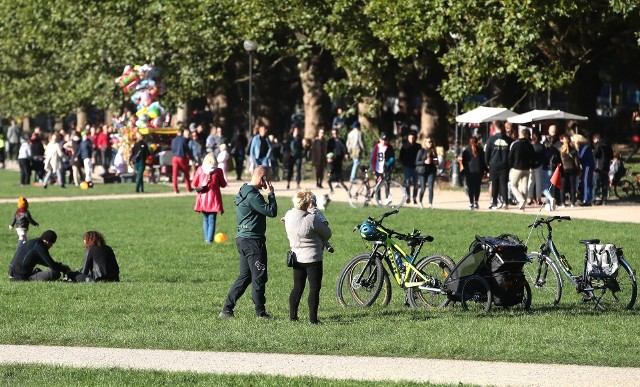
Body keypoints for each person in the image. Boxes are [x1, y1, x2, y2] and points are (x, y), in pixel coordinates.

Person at [219, 165, 277, 320]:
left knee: (245, 277)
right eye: (268, 180)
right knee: (259, 276)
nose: (268, 183)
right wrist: (271, 194)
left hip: (242, 239)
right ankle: (261, 312)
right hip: (253, 241)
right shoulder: (253, 196)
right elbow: (271, 212)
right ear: (262, 177)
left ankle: (226, 309)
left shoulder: (244, 190)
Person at [283, 189, 332, 324]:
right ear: (307, 204)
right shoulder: (311, 218)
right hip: (313, 258)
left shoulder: (288, 215)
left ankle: (293, 316)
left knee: (297, 287)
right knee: (314, 289)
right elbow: (327, 234)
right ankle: (313, 319)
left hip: (296, 257)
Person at [193, 153, 227, 243]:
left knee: (205, 219)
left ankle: (206, 239)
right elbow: (223, 184)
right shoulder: (218, 171)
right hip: (214, 198)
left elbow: (194, 183)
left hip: (202, 198)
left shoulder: (200, 169)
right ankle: (209, 240)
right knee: (212, 220)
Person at [485, 121, 512, 209]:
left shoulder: (491, 139)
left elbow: (487, 153)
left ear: (494, 127)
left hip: (493, 164)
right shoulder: (508, 139)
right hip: (505, 164)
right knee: (504, 184)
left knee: (494, 184)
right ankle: (505, 202)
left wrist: (487, 163)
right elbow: (511, 153)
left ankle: (494, 202)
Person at [508, 128, 535, 211]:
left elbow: (510, 157)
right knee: (524, 187)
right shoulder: (530, 145)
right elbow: (533, 156)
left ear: (521, 134)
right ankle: (522, 206)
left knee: (513, 184)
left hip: (517, 168)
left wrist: (510, 166)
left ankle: (521, 200)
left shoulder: (515, 144)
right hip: (527, 168)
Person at [461, 136, 487, 210]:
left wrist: (465, 168)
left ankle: (471, 202)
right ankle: (476, 201)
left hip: (470, 171)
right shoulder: (481, 150)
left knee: (471, 187)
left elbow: (463, 162)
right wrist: (486, 170)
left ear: (469, 142)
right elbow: (483, 162)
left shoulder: (466, 150)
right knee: (477, 187)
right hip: (479, 170)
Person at [415, 136, 438, 209]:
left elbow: (436, 161)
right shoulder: (421, 151)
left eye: (431, 142)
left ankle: (430, 204)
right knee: (423, 188)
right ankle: (420, 201)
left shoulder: (433, 151)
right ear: (425, 143)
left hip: (431, 171)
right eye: (429, 142)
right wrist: (424, 162)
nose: (430, 143)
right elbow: (416, 162)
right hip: (422, 171)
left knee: (431, 187)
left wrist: (436, 162)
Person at [399, 130, 421, 204]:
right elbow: (401, 156)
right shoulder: (404, 146)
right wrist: (403, 164)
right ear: (408, 138)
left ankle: (414, 198)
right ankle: (408, 196)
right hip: (407, 167)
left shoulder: (418, 146)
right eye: (410, 137)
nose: (411, 139)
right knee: (407, 183)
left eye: (413, 138)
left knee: (416, 184)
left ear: (415, 138)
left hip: (416, 168)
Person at [559, 134, 580, 207]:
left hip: (564, 170)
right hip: (572, 169)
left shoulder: (561, 150)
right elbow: (577, 162)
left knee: (563, 187)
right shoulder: (573, 150)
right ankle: (572, 202)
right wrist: (578, 170)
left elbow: (560, 161)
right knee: (572, 186)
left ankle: (562, 202)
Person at [592, 133, 613, 205]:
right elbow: (611, 156)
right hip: (606, 167)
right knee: (604, 185)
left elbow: (595, 155)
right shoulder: (608, 146)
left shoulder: (598, 145)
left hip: (598, 168)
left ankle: (594, 199)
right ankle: (604, 200)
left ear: (597, 139)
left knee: (596, 185)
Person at [574, 134, 595, 206]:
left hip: (587, 167)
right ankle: (588, 198)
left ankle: (586, 199)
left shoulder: (584, 147)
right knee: (586, 183)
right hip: (586, 166)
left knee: (586, 183)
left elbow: (581, 156)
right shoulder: (585, 146)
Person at [171, 129, 193, 194]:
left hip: (174, 157)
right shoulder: (183, 140)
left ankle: (175, 189)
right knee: (186, 173)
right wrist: (191, 157)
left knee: (174, 174)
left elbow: (172, 148)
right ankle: (188, 188)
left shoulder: (173, 140)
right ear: (182, 133)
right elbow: (187, 149)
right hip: (182, 157)